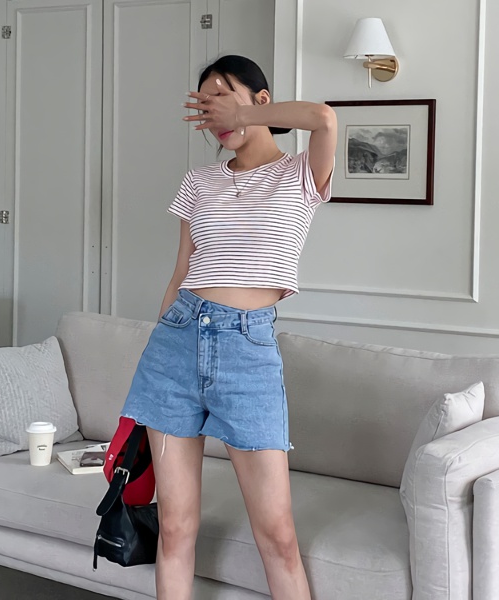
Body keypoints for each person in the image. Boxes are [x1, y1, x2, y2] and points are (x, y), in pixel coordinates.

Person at [121, 55, 337, 600]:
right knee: (175, 528)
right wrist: (154, 354)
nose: (214, 114)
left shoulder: (300, 174)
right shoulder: (199, 181)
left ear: (260, 100)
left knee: (279, 537)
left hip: (248, 348)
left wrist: (241, 113)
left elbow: (324, 118)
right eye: (205, 105)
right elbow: (181, 272)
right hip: (175, 342)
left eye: (222, 98)